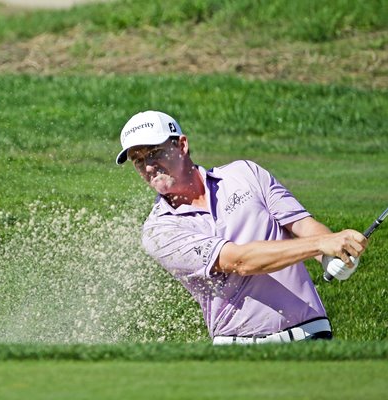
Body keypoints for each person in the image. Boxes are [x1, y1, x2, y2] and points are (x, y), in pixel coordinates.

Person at [115, 110, 368, 344]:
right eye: (138, 161)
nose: (148, 167)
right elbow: (238, 262)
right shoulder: (158, 231)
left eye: (154, 153)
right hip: (239, 349)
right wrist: (320, 244)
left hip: (311, 333)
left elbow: (303, 226)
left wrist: (333, 254)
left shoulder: (245, 173)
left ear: (182, 145)